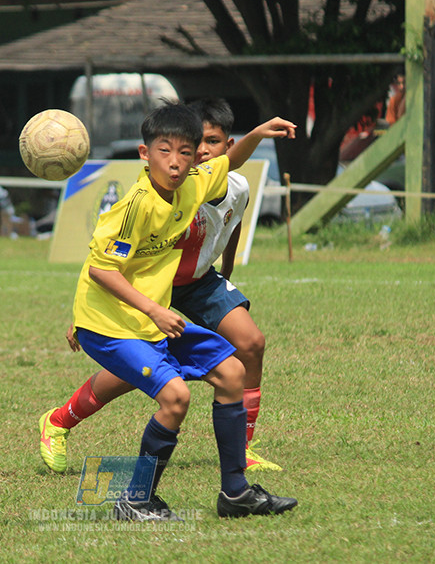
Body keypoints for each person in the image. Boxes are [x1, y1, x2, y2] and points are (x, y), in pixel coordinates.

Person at [55, 101, 298, 521]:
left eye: (186, 152)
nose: (176, 162)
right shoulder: (134, 206)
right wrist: (154, 309)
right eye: (164, 151)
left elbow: (225, 163)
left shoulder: (193, 184)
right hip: (110, 324)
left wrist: (257, 134)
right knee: (176, 397)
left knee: (232, 373)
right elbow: (101, 269)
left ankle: (236, 493)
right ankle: (134, 500)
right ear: (144, 154)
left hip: (154, 318)